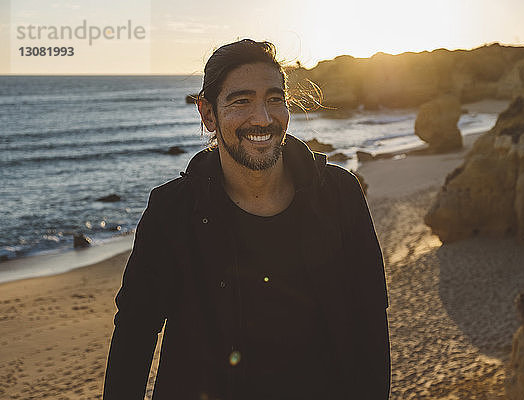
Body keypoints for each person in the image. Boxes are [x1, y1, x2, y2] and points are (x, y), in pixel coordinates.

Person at [103, 39, 390, 400]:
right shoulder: (171, 211)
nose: (263, 118)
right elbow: (135, 331)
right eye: (241, 101)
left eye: (274, 99)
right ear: (208, 114)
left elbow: (370, 321)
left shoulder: (339, 195)